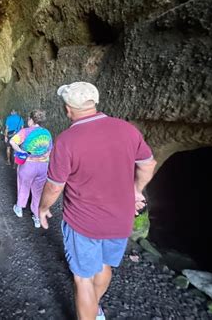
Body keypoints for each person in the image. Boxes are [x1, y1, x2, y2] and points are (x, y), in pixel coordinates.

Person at [38, 82, 157, 320]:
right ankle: (96, 308)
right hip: (120, 221)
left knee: (82, 278)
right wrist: (135, 191)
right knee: (104, 265)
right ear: (95, 103)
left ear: (67, 109)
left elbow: (54, 186)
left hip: (84, 223)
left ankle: (90, 310)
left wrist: (42, 208)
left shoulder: (66, 140)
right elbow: (148, 164)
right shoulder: (127, 129)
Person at [9, 109, 53, 228]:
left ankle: (19, 208)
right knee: (38, 192)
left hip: (28, 165)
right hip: (43, 167)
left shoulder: (25, 131)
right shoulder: (47, 133)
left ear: (31, 120)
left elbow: (12, 141)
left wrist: (21, 151)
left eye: (28, 119)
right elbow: (49, 151)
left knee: (24, 186)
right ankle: (37, 218)